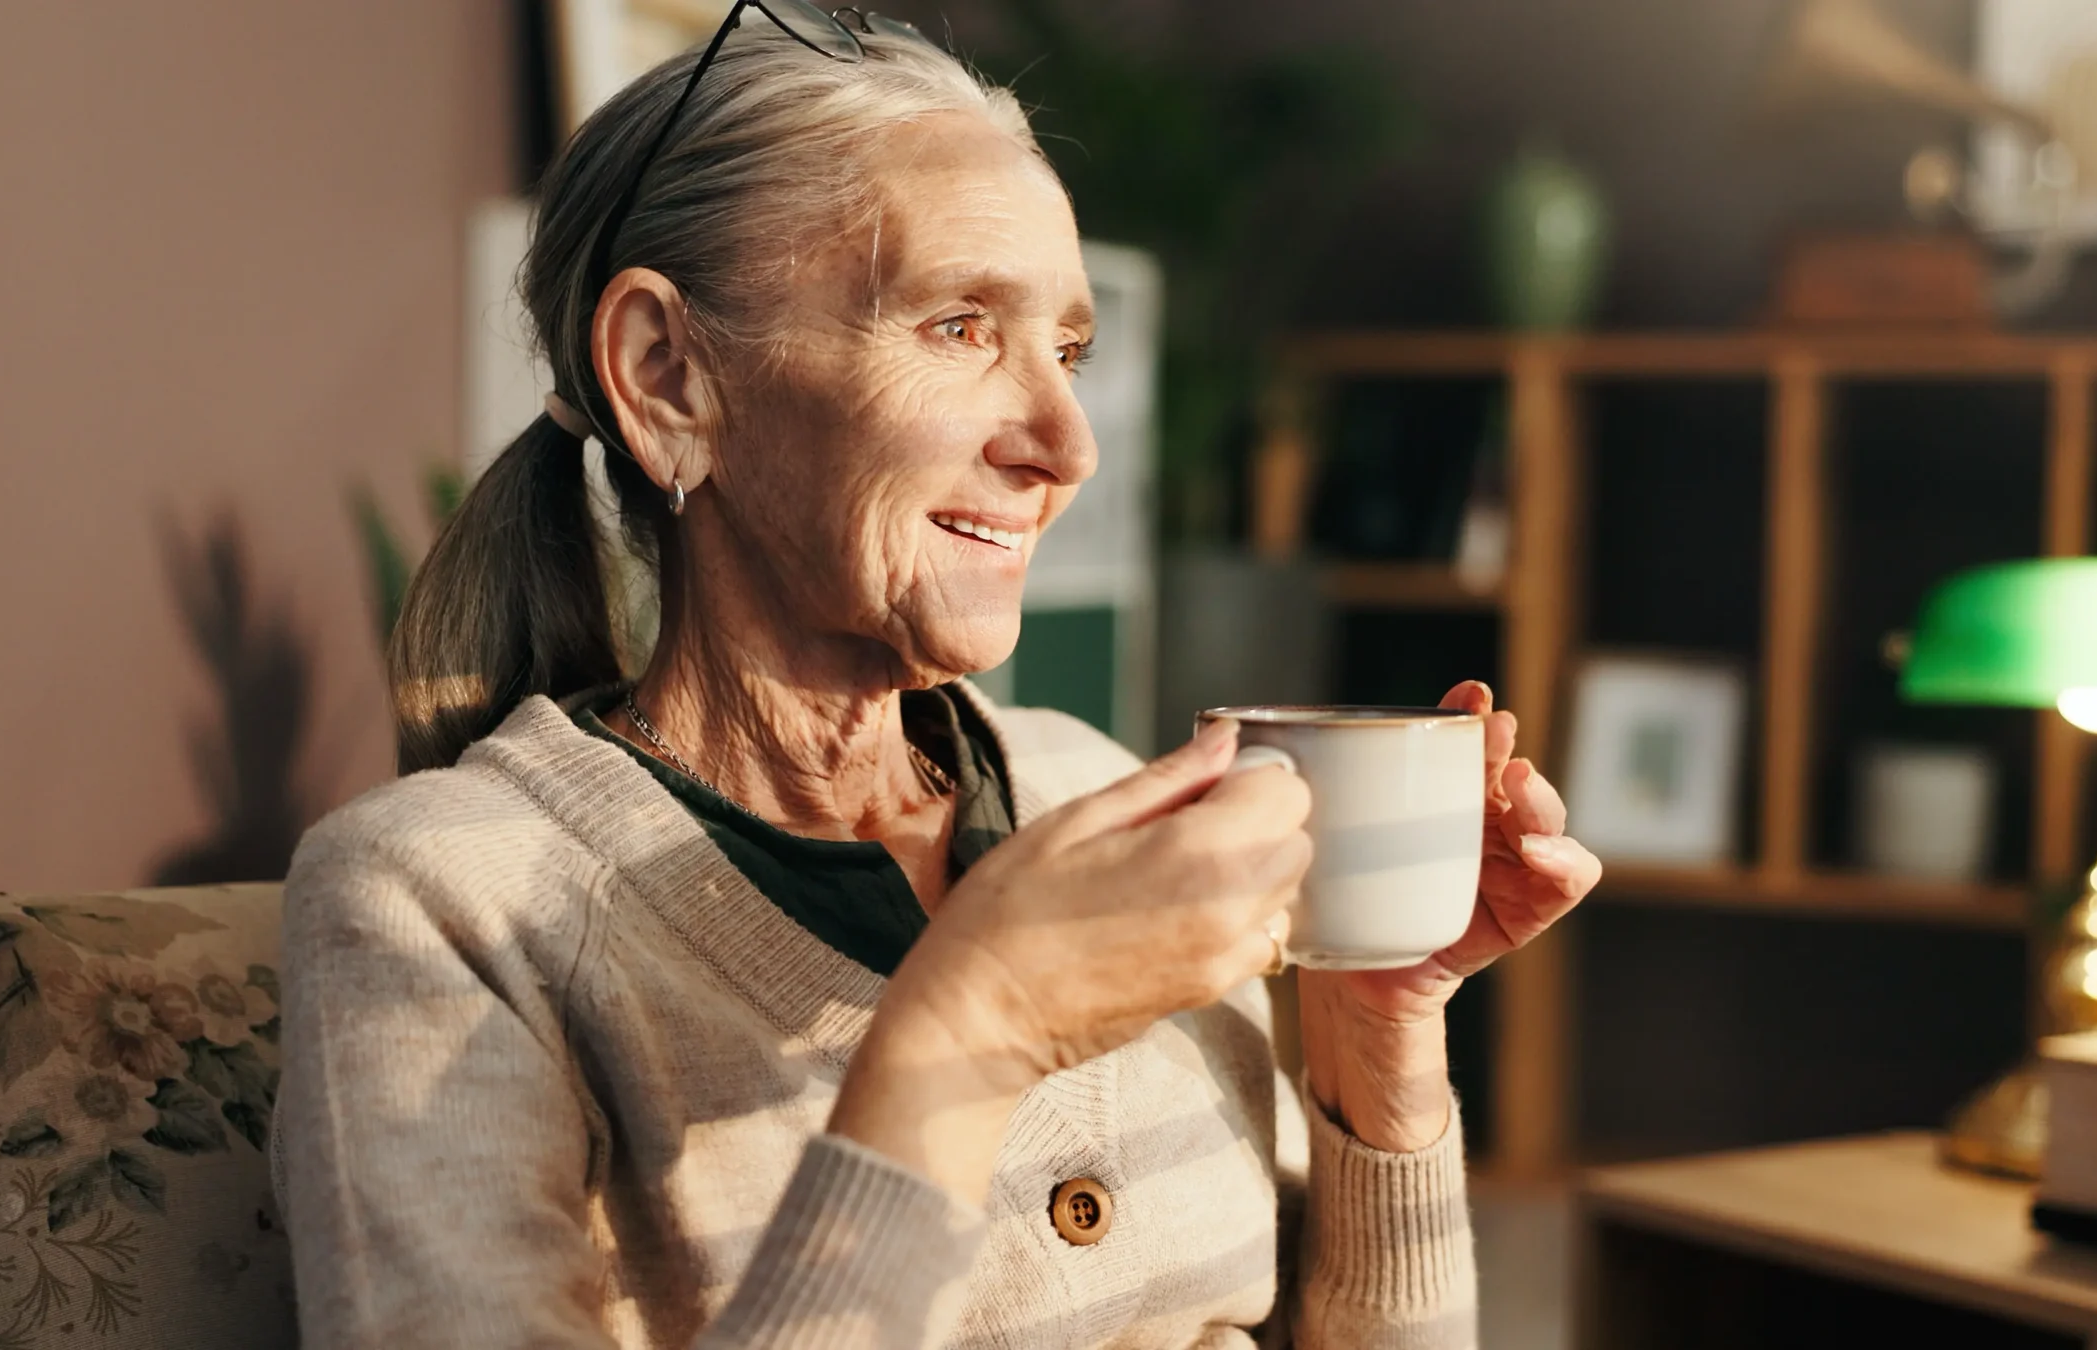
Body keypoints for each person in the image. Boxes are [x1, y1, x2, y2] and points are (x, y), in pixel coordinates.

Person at [275, 6, 1602, 1346]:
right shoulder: (434, 906)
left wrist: (1380, 1026)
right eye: (963, 325)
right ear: (666, 373)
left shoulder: (1093, 784)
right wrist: (975, 1028)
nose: (1067, 442)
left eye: (1069, 350)